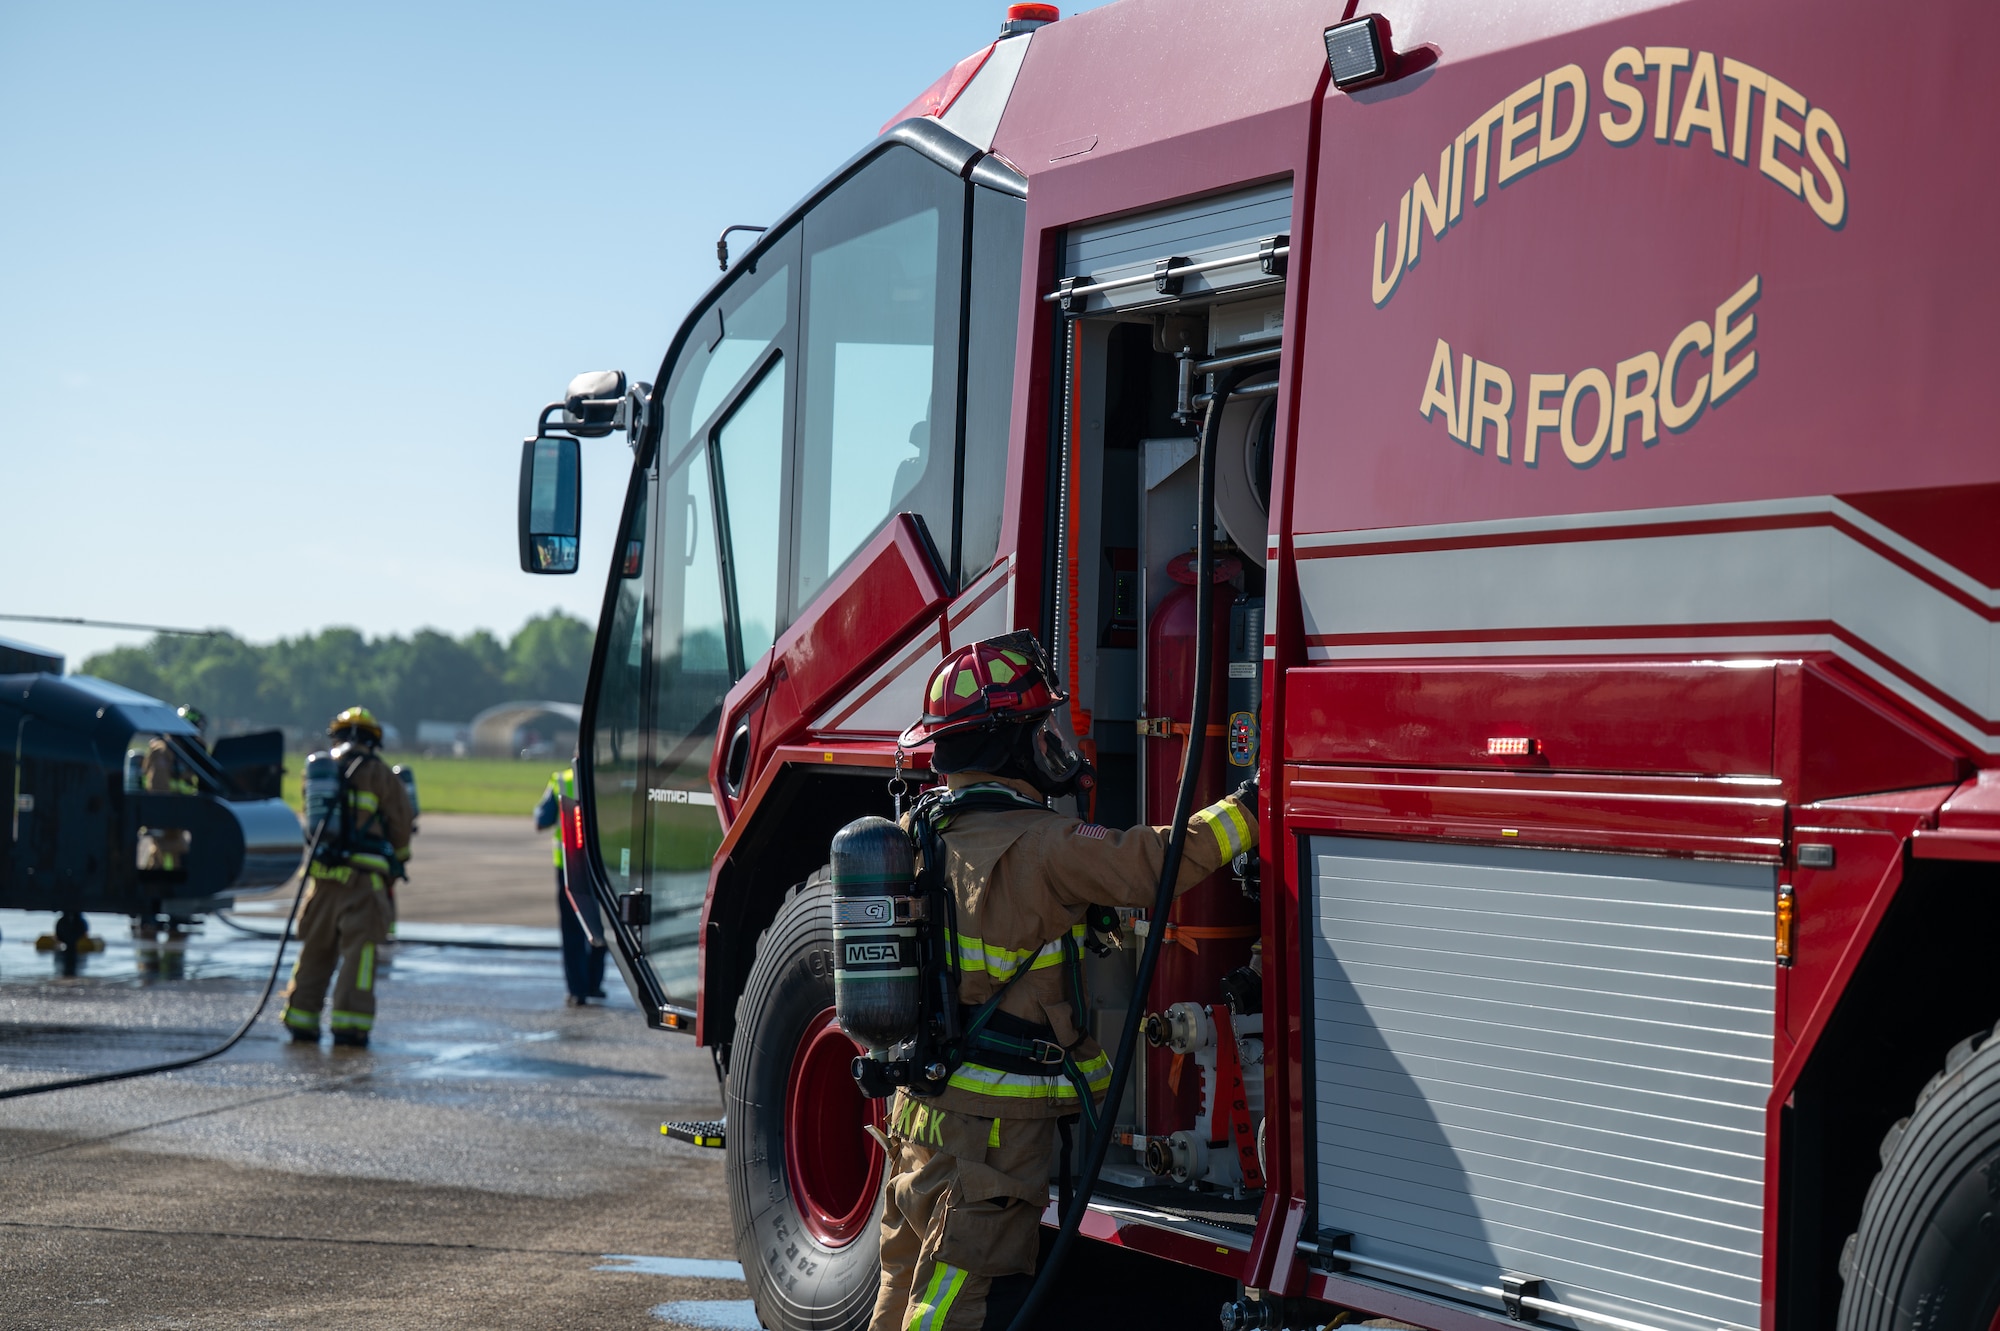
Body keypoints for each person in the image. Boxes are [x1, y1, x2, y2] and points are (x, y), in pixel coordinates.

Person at [869, 632, 1257, 1331]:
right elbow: (1156, 862)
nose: (1049, 742)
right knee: (956, 1304)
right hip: (992, 1138)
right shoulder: (1046, 844)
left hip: (917, 1116)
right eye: (1036, 728)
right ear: (1006, 745)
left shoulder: (917, 829)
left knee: (902, 1281)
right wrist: (1248, 809)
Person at [281, 706, 414, 1049]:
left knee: (314, 952)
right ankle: (349, 1028)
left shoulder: (321, 771)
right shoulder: (383, 776)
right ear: (374, 741)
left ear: (337, 737)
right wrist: (397, 863)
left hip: (321, 881)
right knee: (359, 957)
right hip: (363, 884)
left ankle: (301, 1020)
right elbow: (400, 831)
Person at [534, 763, 605, 1006]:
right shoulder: (605, 777)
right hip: (600, 865)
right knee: (600, 923)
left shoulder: (561, 780)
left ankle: (577, 990)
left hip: (569, 865)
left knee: (572, 929)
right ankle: (595, 983)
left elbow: (542, 820)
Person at [137, 704, 205, 872]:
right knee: (168, 858)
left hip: (179, 818)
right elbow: (158, 788)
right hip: (167, 819)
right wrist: (167, 816)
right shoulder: (163, 750)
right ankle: (165, 889)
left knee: (172, 855)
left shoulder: (185, 753)